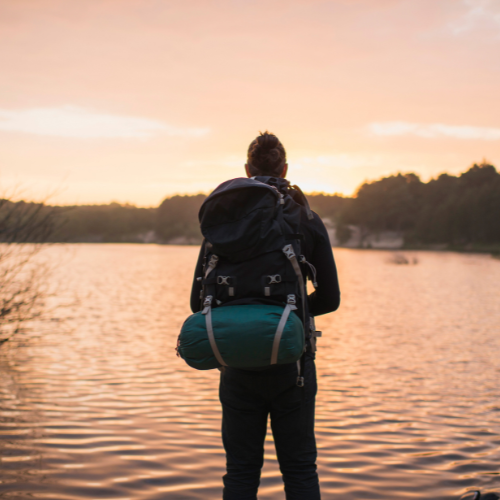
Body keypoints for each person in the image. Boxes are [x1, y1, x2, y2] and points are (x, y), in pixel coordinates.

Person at [190, 131, 341, 500]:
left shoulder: (222, 225)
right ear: (285, 168)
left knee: (240, 472)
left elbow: (198, 303)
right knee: (300, 469)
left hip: (236, 364)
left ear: (246, 169)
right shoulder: (305, 218)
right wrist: (289, 318)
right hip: (293, 365)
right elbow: (331, 298)